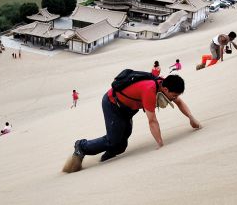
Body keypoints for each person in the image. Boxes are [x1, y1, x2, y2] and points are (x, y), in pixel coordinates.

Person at [64, 74, 201, 173]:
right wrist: (160, 144)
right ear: (165, 90)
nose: (175, 98)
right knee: (113, 140)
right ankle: (81, 146)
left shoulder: (165, 83)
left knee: (122, 145)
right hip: (113, 104)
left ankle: (104, 160)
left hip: (128, 108)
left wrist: (191, 118)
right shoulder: (149, 90)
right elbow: (152, 120)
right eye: (174, 95)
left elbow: (179, 102)